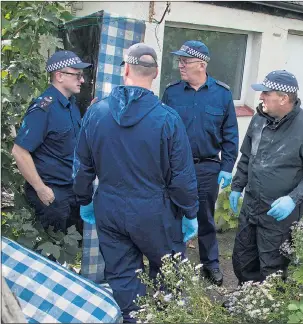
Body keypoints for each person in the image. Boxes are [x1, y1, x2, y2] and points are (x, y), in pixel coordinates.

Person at [72, 43, 199, 323]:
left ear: (125, 69)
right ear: (154, 74)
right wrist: (190, 213)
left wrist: (83, 199)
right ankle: (165, 317)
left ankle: (133, 318)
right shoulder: (168, 119)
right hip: (155, 211)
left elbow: (82, 166)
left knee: (121, 274)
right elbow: (182, 177)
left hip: (110, 208)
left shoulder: (96, 113)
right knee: (168, 273)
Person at [229, 70, 303, 284]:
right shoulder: (259, 120)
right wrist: (237, 186)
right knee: (243, 258)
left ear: (284, 98)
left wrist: (294, 198)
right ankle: (246, 300)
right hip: (251, 206)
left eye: (266, 93)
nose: (260, 97)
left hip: (279, 214)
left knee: (272, 265)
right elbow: (248, 156)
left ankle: (268, 309)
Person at [161, 40, 239, 286]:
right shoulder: (171, 92)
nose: (180, 65)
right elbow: (161, 131)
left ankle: (211, 263)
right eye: (180, 61)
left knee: (205, 217)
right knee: (173, 215)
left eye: (186, 61)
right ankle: (173, 264)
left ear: (201, 64)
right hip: (174, 168)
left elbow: (230, 135)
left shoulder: (222, 94)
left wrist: (227, 167)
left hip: (206, 167)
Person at [12, 50, 92, 240]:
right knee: (49, 256)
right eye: (77, 75)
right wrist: (41, 188)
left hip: (70, 191)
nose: (82, 80)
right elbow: (19, 152)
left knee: (69, 253)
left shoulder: (71, 104)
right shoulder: (43, 108)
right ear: (59, 76)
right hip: (52, 195)